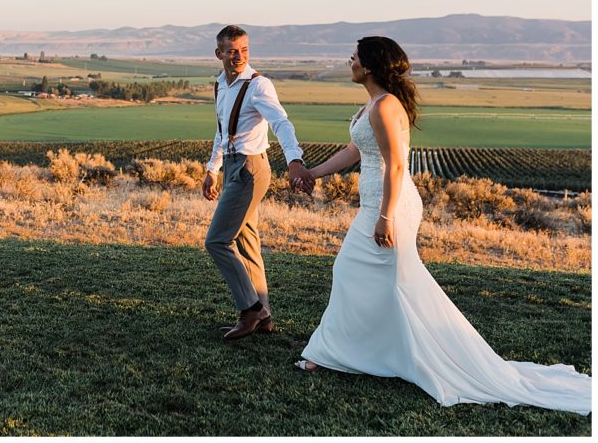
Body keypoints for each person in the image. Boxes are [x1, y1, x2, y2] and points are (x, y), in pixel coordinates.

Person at [295, 36, 591, 416]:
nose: (348, 60)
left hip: (390, 206)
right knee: (387, 282)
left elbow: (397, 166)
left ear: (368, 66)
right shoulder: (374, 103)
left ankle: (330, 354)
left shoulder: (385, 107)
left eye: (353, 56)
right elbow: (356, 151)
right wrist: (313, 174)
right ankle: (372, 351)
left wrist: (386, 216)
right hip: (379, 203)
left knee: (352, 269)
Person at [202, 25, 313, 341]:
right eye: (232, 50)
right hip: (233, 168)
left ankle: (251, 309)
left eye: (244, 50)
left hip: (252, 169)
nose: (239, 56)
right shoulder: (221, 85)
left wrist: (294, 159)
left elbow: (281, 122)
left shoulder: (258, 85)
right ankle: (264, 316)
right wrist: (212, 168)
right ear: (219, 53)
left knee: (217, 241)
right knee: (246, 242)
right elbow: (222, 131)